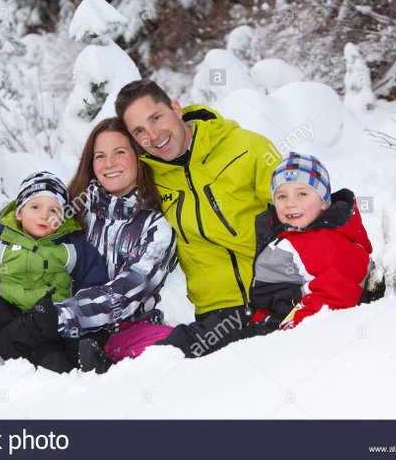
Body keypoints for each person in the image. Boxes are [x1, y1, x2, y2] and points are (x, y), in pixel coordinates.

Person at [0, 118, 178, 374]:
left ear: (138, 156)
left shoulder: (155, 227)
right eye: (100, 155)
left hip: (119, 330)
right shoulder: (72, 213)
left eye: (120, 152)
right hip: (50, 333)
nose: (109, 163)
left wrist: (57, 315)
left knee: (176, 354)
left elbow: (131, 288)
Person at [115, 78, 281, 357]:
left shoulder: (247, 147)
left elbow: (303, 212)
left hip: (276, 295)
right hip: (217, 312)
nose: (153, 136)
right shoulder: (149, 178)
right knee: (172, 359)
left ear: (176, 109)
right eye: (140, 131)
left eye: (156, 118)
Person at [0, 171, 108, 374]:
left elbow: (94, 283)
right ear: (19, 212)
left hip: (58, 320)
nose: (45, 215)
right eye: (35, 207)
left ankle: (94, 370)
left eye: (54, 210)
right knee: (52, 362)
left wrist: (88, 324)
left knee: (80, 351)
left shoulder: (72, 248)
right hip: (16, 320)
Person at [244, 152, 373, 335]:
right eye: (282, 196)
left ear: (323, 202)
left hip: (287, 330)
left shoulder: (324, 242)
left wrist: (287, 330)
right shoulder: (296, 233)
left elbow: (332, 300)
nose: (290, 203)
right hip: (265, 318)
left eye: (302, 194)